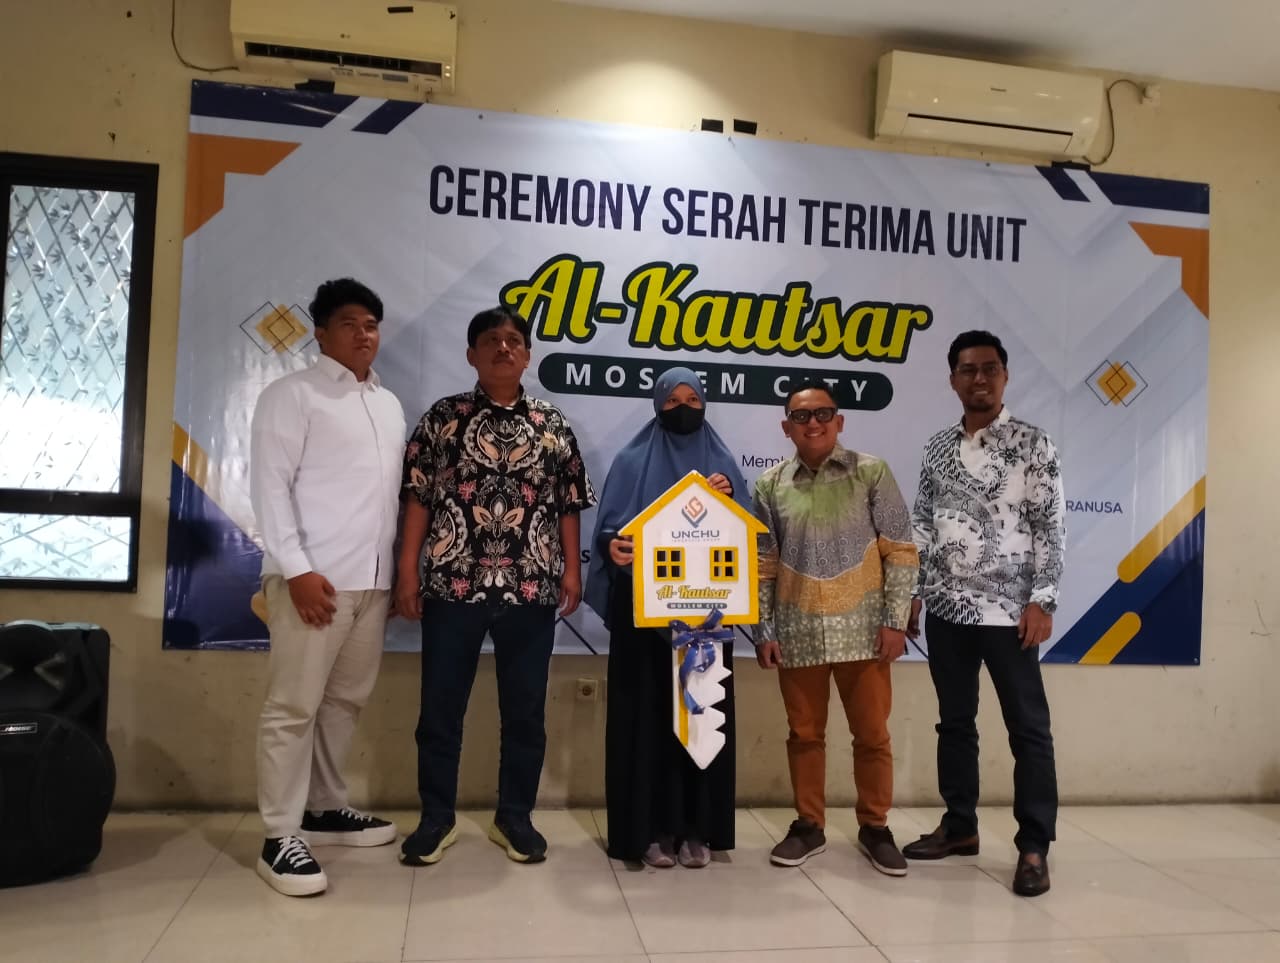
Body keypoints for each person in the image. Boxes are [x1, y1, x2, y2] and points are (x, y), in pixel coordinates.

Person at [395, 306, 595, 866]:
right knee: (440, 711)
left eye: (513, 340)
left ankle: (515, 817)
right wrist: (408, 570)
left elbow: (569, 502)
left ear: (527, 355)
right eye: (491, 340)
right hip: (452, 585)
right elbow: (418, 497)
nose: (503, 348)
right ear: (471, 354)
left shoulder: (552, 424)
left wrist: (571, 570)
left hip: (531, 587)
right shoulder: (444, 418)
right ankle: (436, 818)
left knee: (525, 713)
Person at [250, 278, 405, 897]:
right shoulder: (293, 395)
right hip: (312, 582)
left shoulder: (387, 404)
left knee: (344, 704)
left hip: (372, 584)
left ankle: (323, 808)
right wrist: (296, 570)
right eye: (349, 323)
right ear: (320, 331)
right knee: (292, 708)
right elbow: (269, 487)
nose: (363, 334)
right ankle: (279, 835)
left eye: (371, 324)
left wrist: (391, 577)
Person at [905, 329, 1064, 898]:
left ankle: (1034, 846)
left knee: (1028, 730)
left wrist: (1043, 599)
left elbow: (1050, 526)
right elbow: (922, 525)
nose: (980, 378)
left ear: (1005, 376)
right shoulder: (937, 447)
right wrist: (914, 593)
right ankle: (960, 826)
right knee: (954, 723)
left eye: (990, 368)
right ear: (953, 379)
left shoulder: (1033, 444)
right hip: (948, 611)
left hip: (1010, 615)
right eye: (968, 369)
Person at [584, 367, 748, 869]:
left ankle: (697, 830)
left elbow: (748, 534)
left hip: (704, 614)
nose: (683, 409)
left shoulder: (722, 463)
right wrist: (612, 547)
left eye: (692, 400)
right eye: (673, 401)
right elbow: (609, 532)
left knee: (700, 720)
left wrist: (728, 496)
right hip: (643, 615)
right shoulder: (632, 460)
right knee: (646, 720)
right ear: (658, 406)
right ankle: (648, 832)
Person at [752, 381, 918, 875]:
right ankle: (809, 825)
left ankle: (875, 827)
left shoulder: (871, 473)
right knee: (804, 735)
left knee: (872, 735)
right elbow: (764, 565)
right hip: (797, 630)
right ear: (786, 427)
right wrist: (764, 630)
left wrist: (895, 622)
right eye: (801, 416)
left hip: (865, 632)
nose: (814, 423)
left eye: (823, 413)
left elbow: (900, 551)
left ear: (839, 421)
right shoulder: (769, 486)